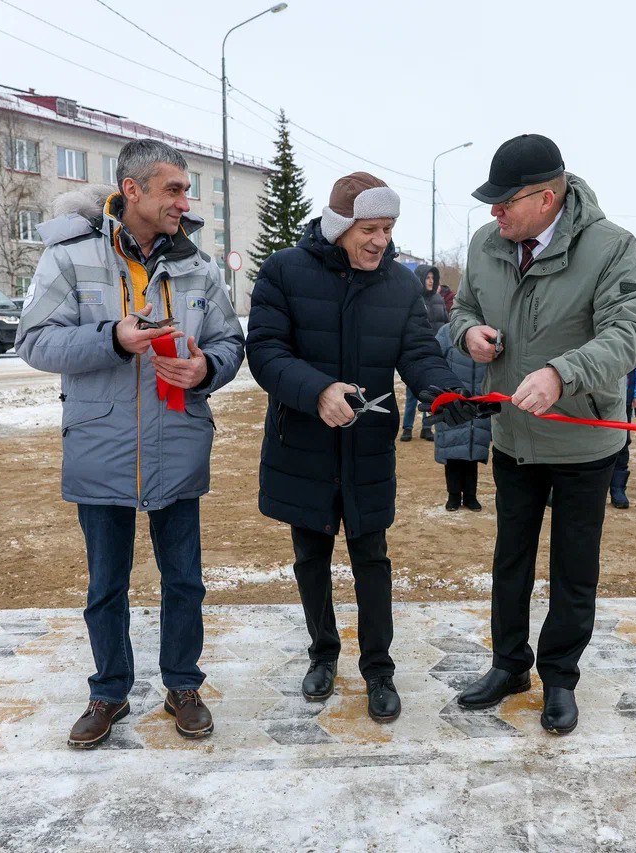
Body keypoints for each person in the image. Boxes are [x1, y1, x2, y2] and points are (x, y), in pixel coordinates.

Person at [17, 139, 245, 748]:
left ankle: (184, 685)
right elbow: (35, 342)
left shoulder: (197, 262)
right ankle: (108, 692)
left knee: (185, 580)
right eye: (173, 189)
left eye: (185, 189)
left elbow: (229, 342)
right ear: (134, 190)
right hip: (101, 446)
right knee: (106, 584)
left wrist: (208, 369)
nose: (184, 200)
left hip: (179, 442)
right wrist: (112, 339)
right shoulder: (69, 258)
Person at [246, 171, 479, 723]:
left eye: (388, 228)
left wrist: (442, 393)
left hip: (368, 446)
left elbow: (419, 352)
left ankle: (379, 668)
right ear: (340, 225)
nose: (380, 240)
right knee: (311, 558)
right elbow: (266, 352)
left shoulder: (398, 285)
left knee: (371, 558)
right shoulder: (284, 272)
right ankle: (323, 654)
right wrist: (317, 390)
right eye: (369, 228)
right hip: (302, 442)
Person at [447, 133, 636, 735]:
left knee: (572, 568)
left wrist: (562, 375)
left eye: (504, 202)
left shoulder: (611, 246)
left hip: (585, 442)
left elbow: (629, 333)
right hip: (514, 439)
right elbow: (461, 309)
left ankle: (559, 677)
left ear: (545, 198)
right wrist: (468, 334)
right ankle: (509, 665)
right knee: (510, 558)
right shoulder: (488, 244)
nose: (494, 213)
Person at [433, 320, 492, 511]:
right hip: (453, 400)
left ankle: (470, 496)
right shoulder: (446, 332)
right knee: (453, 451)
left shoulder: (490, 332)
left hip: (480, 400)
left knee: (472, 451)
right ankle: (453, 495)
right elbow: (434, 362)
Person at [400, 264, 450, 442]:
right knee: (412, 394)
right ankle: (407, 427)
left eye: (432, 278)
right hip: (415, 354)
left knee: (431, 392)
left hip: (435, 354)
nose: (430, 281)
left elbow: (446, 323)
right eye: (427, 277)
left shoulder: (438, 299)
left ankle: (427, 428)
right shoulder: (412, 299)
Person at [610, 345, 636, 509]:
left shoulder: (633, 323)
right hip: (589, 395)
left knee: (622, 443)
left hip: (624, 395)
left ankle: (617, 489)